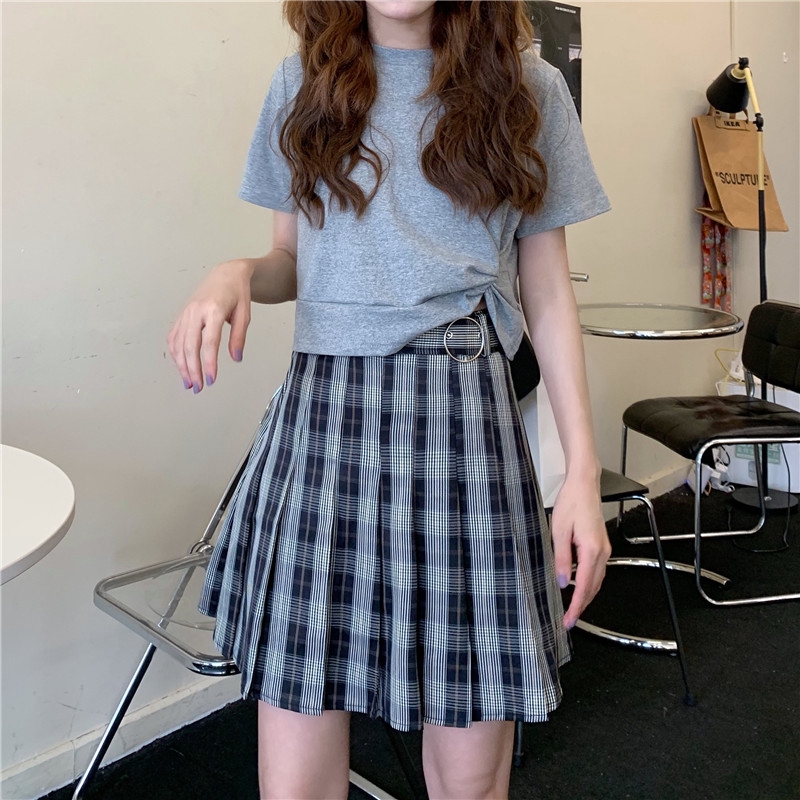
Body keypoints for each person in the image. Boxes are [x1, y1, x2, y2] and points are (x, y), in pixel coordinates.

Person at [167, 2, 611, 797]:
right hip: (323, 421)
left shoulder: (529, 89)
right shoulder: (302, 85)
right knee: (295, 774)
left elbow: (545, 288)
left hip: (462, 424)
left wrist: (581, 472)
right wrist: (236, 273)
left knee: (470, 776)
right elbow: (290, 256)